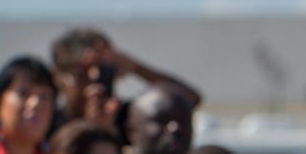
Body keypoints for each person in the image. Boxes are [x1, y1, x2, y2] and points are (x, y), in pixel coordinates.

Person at [51, 27, 201, 133]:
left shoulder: (125, 119)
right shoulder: (46, 124)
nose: (93, 89)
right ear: (58, 78)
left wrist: (136, 68)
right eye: (81, 77)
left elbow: (189, 99)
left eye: (102, 77)